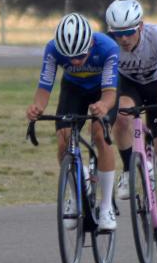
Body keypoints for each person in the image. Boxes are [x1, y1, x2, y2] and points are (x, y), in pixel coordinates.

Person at [106, 0, 157, 250]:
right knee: (121, 116)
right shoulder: (108, 45)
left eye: (129, 32)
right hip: (130, 87)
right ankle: (130, 169)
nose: (123, 39)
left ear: (140, 26)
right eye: (117, 34)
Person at [26, 13, 120, 231]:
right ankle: (75, 194)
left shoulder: (108, 48)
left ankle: (106, 206)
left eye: (80, 55)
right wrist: (37, 107)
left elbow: (110, 93)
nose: (76, 61)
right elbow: (45, 85)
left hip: (102, 90)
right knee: (64, 140)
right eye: (70, 58)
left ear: (91, 44)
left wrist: (103, 107)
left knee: (99, 134)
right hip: (73, 89)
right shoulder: (52, 49)